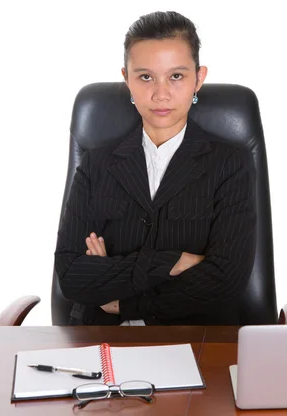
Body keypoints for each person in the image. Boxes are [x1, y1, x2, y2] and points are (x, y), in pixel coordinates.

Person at [54, 11, 256, 326]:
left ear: (198, 79)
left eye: (176, 76)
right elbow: (70, 275)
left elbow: (225, 280)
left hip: (198, 339)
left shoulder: (230, 164)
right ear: (127, 79)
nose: (161, 94)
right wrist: (173, 262)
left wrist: (123, 298)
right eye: (146, 76)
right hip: (104, 341)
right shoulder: (97, 164)